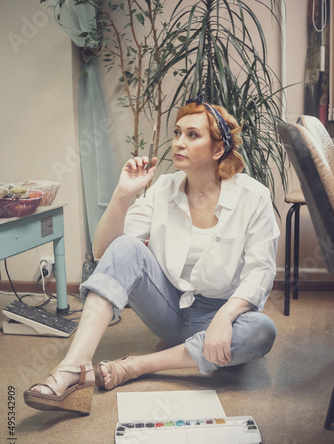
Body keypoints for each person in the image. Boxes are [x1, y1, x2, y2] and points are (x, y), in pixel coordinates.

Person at [24, 95, 279, 415]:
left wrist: (225, 318)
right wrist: (123, 194)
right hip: (170, 309)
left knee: (262, 330)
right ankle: (74, 369)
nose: (178, 142)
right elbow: (106, 251)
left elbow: (261, 271)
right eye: (177, 133)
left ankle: (139, 366)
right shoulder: (164, 189)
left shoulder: (252, 196)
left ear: (218, 150)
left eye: (192, 135)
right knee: (127, 246)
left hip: (220, 313)